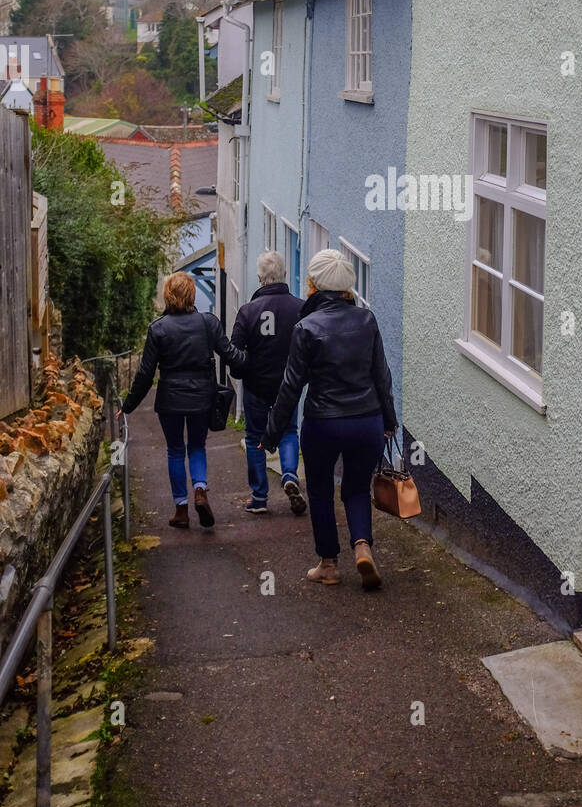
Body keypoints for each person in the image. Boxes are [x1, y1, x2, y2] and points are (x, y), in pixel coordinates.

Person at [264, 248, 397, 590]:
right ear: (346, 286)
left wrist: (272, 432)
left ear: (313, 284)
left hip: (323, 423)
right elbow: (382, 376)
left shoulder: (306, 327)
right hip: (366, 420)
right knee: (356, 487)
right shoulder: (367, 320)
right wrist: (389, 421)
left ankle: (328, 564)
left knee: (321, 490)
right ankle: (363, 547)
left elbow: (291, 385)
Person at [122, 272, 247, 530]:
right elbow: (231, 354)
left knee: (176, 450)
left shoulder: (158, 328)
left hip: (170, 398)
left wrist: (128, 405)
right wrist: (260, 360)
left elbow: (146, 373)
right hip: (202, 396)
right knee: (198, 446)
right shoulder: (208, 323)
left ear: (168, 295)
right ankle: (200, 490)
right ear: (191, 294)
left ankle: (181, 509)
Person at [230, 250, 306, 516]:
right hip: (288, 384)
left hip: (256, 385)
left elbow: (235, 351)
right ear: (284, 274)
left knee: (254, 438)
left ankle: (260, 497)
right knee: (287, 431)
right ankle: (288, 475)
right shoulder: (300, 308)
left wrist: (242, 370)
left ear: (260, 278)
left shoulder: (247, 311)